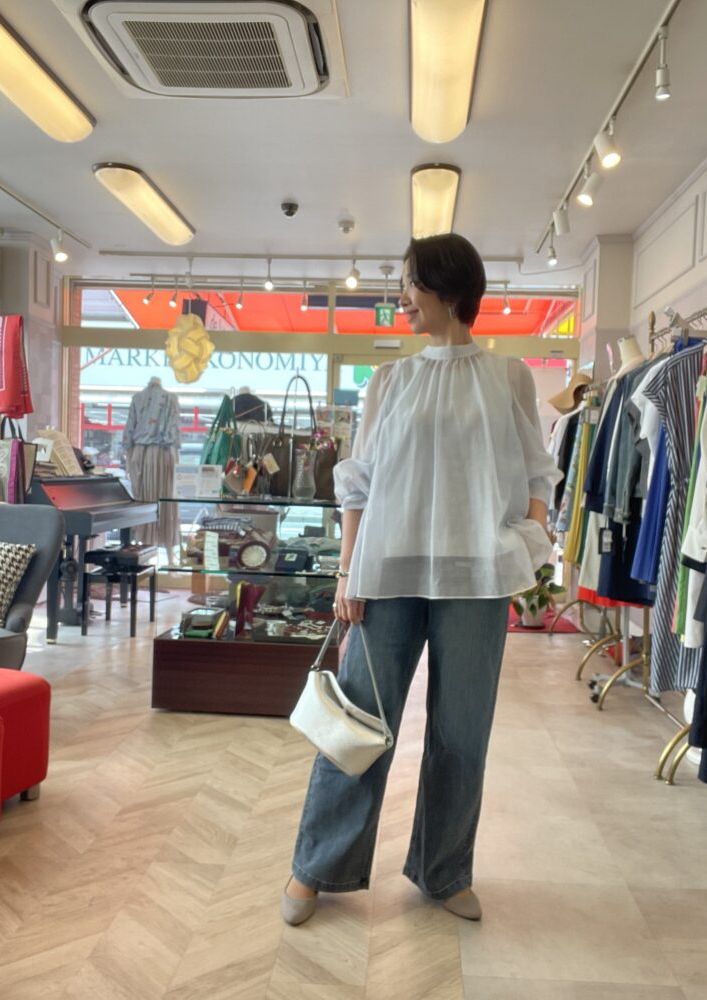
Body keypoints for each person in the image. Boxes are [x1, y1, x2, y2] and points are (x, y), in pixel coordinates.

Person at [281, 233, 561, 926]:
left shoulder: (510, 377)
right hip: (389, 572)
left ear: (447, 287)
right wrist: (349, 569)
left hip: (477, 578)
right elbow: (358, 484)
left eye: (410, 282)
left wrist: (526, 538)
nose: (401, 296)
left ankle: (444, 871)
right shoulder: (390, 381)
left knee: (461, 734)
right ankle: (317, 866)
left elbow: (537, 472)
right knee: (359, 721)